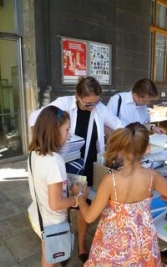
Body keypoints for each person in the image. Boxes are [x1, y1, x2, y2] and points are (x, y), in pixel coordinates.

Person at [72, 122, 167, 266]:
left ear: (121, 150)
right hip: (142, 241)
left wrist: (80, 196)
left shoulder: (110, 180)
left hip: (113, 242)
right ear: (148, 149)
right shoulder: (152, 176)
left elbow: (89, 217)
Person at [29, 76, 123, 263]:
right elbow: (35, 118)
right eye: (88, 103)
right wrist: (44, 140)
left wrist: (118, 142)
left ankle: (81, 244)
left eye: (96, 102)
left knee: (82, 204)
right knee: (63, 206)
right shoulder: (63, 103)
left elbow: (120, 126)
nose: (93, 107)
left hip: (86, 163)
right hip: (64, 163)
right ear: (77, 96)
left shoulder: (100, 109)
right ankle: (62, 240)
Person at [27, 106, 78, 267]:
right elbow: (56, 204)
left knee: (48, 255)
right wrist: (76, 198)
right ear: (54, 131)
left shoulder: (34, 153)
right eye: (67, 130)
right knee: (51, 259)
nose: (68, 135)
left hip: (40, 216)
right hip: (53, 222)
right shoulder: (54, 161)